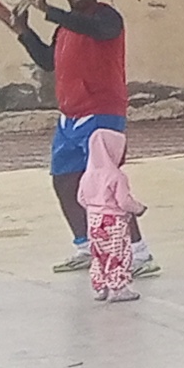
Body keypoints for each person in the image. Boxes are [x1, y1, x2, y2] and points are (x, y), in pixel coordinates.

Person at [0, 0, 154, 279]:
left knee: (106, 185)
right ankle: (86, 245)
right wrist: (24, 31)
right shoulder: (66, 27)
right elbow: (48, 61)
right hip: (70, 116)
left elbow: (95, 29)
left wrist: (48, 10)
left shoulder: (107, 18)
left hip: (102, 113)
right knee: (64, 181)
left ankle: (139, 253)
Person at [78, 126, 143, 304]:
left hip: (94, 222)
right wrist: (138, 208)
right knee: (118, 254)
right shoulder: (116, 176)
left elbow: (81, 198)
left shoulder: (87, 175)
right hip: (114, 222)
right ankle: (118, 288)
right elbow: (124, 201)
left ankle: (101, 287)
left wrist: (94, 209)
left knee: (99, 255)